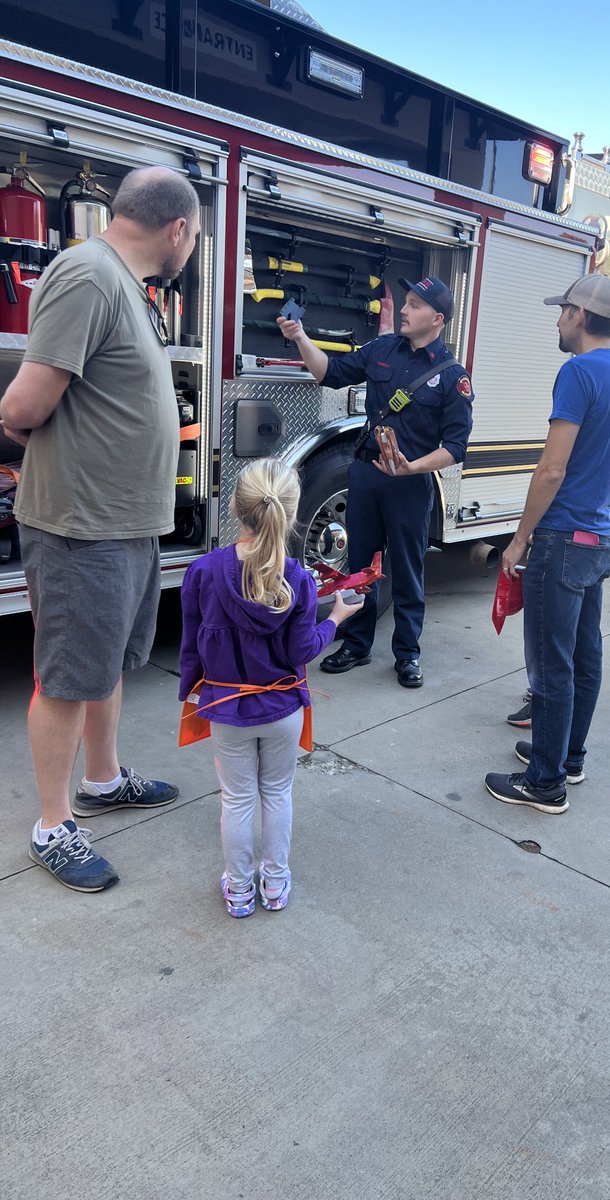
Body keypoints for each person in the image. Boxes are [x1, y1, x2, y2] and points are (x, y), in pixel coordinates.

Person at [0, 166, 201, 891]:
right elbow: (23, 405)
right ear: (178, 227)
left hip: (124, 522)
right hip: (82, 524)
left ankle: (102, 779)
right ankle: (52, 825)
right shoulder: (87, 275)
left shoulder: (123, 285)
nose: (193, 247)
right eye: (197, 234)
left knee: (109, 662)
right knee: (65, 676)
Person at [485, 275, 610, 814]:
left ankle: (543, 782)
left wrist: (519, 538)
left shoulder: (577, 372)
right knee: (583, 654)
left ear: (579, 315)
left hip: (563, 538)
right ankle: (567, 756)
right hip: (599, 537)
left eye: (561, 312)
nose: (556, 320)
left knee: (551, 664)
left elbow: (551, 469)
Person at [178, 458, 359, 917]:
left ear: (237, 510)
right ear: (292, 513)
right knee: (277, 794)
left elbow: (191, 644)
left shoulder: (202, 572)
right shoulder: (297, 579)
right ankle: (274, 884)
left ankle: (239, 890)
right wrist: (334, 618)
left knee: (236, 799)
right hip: (282, 712)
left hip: (226, 710)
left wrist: (190, 693)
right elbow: (302, 650)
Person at [278, 275, 473, 688]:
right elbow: (328, 372)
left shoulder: (452, 376)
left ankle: (407, 654)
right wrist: (300, 338)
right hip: (365, 474)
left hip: (409, 485)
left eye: (415, 305)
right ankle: (355, 643)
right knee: (362, 567)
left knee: (406, 570)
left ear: (436, 319)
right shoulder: (382, 349)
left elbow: (456, 446)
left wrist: (414, 467)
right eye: (405, 302)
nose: (403, 309)